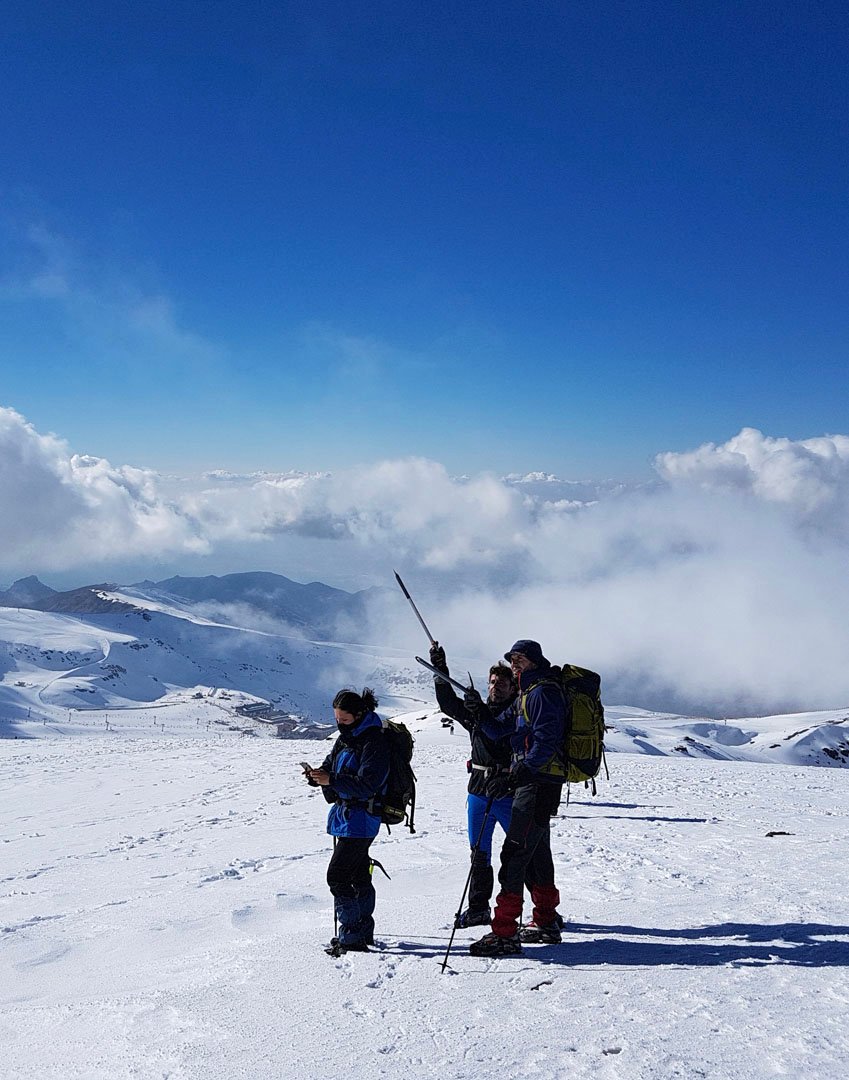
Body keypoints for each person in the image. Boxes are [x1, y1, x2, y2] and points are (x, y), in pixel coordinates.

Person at [464, 639, 567, 957]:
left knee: (514, 859)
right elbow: (506, 733)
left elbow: (546, 740)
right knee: (535, 856)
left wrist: (518, 773)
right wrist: (478, 711)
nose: (514, 664)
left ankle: (505, 933)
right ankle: (545, 922)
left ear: (535, 661)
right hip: (534, 784)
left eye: (520, 659)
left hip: (537, 786)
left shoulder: (542, 693)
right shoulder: (528, 693)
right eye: (512, 659)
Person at [428, 641, 517, 927]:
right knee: (479, 853)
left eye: (502, 683)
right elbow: (448, 704)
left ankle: (529, 910)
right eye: (492, 682)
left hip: (508, 790)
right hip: (478, 789)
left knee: (519, 853)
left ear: (513, 688)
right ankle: (478, 908)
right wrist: (439, 668)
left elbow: (500, 736)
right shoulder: (479, 711)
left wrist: (479, 711)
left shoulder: (518, 714)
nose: (496, 687)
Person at [306, 687, 390, 956]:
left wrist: (331, 780)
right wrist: (319, 776)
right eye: (337, 720)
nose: (339, 725)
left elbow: (368, 784)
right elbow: (331, 766)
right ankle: (362, 930)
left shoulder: (373, 741)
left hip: (363, 818)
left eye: (344, 719)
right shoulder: (346, 738)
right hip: (348, 817)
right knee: (355, 873)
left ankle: (352, 935)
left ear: (359, 714)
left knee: (338, 875)